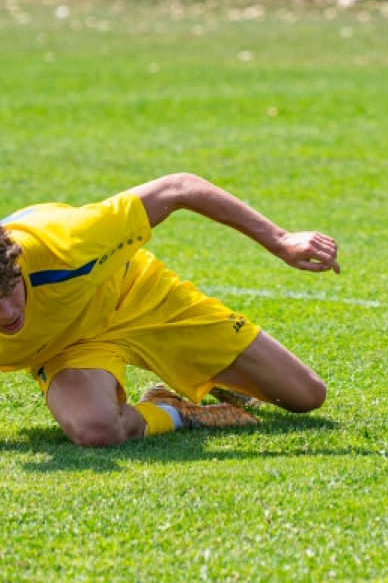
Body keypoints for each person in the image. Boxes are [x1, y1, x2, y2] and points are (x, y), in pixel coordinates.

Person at [0, 172, 340, 446]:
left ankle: (210, 373)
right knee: (97, 430)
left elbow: (180, 187)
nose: (5, 313)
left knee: (306, 394)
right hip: (65, 346)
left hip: (136, 294)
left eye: (8, 291)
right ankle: (174, 409)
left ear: (16, 264)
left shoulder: (70, 243)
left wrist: (281, 240)